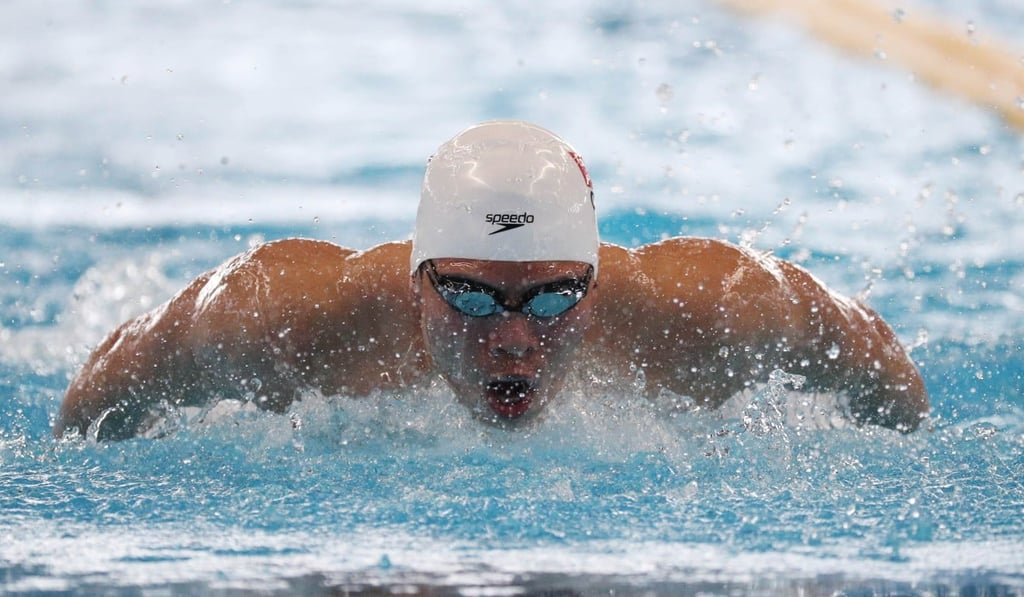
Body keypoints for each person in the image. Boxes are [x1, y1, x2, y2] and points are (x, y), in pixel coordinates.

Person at [54, 120, 929, 441]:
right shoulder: (279, 317)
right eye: (470, 296)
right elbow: (107, 382)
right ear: (414, 280)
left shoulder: (715, 310)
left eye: (553, 297)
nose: (512, 338)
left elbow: (878, 361)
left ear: (595, 281)